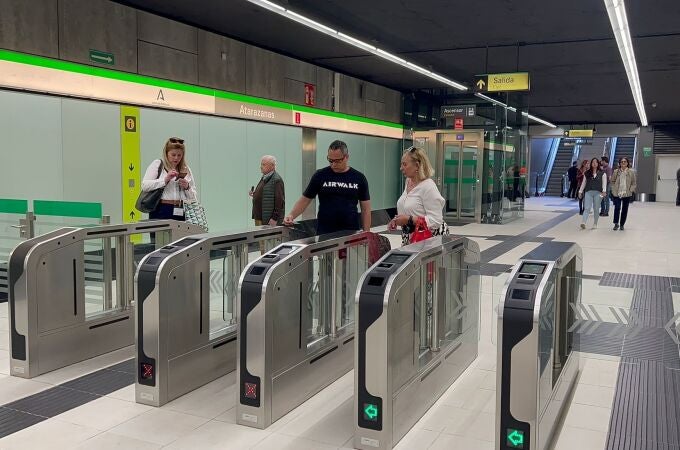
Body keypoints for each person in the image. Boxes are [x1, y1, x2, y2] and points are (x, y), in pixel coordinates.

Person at [283, 140, 371, 234]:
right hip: (325, 232)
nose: (333, 164)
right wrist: (291, 215)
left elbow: (365, 209)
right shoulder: (320, 175)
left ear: (346, 157)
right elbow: (305, 200)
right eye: (330, 160)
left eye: (337, 161)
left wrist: (367, 233)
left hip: (350, 232)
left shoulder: (359, 178)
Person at [388, 147, 446, 245]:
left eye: (404, 164)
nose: (401, 168)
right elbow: (410, 208)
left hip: (427, 241)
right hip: (410, 238)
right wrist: (396, 220)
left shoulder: (428, 186)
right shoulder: (408, 182)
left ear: (417, 165)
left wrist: (409, 219)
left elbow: (436, 220)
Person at [141, 137, 197, 221]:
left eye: (179, 155)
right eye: (173, 155)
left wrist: (187, 187)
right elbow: (144, 186)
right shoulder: (158, 164)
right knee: (160, 234)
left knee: (183, 234)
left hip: (182, 210)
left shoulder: (186, 169)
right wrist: (165, 180)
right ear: (166, 153)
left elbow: (194, 197)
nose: (176, 158)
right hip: (161, 210)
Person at [250, 155, 285, 226]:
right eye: (261, 164)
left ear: (272, 166)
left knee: (266, 237)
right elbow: (266, 194)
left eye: (263, 164)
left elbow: (279, 201)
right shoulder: (265, 177)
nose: (261, 166)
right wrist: (255, 194)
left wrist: (274, 218)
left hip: (268, 220)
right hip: (259, 216)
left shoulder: (276, 180)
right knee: (259, 236)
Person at [578, 157, 606, 229]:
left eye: (596, 162)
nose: (594, 163)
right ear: (591, 164)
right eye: (593, 162)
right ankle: (583, 222)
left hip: (598, 192)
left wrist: (604, 191)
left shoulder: (602, 173)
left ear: (598, 163)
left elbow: (604, 183)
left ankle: (595, 223)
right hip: (588, 192)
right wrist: (580, 191)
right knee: (587, 207)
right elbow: (584, 183)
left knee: (596, 208)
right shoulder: (587, 173)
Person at [610, 157, 637, 231]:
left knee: (625, 209)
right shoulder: (616, 171)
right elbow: (612, 182)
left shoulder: (631, 172)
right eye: (622, 162)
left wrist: (630, 190)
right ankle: (616, 223)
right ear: (620, 163)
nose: (623, 163)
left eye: (625, 161)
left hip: (627, 193)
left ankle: (622, 224)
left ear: (627, 163)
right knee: (617, 207)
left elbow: (634, 183)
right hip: (617, 193)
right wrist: (613, 190)